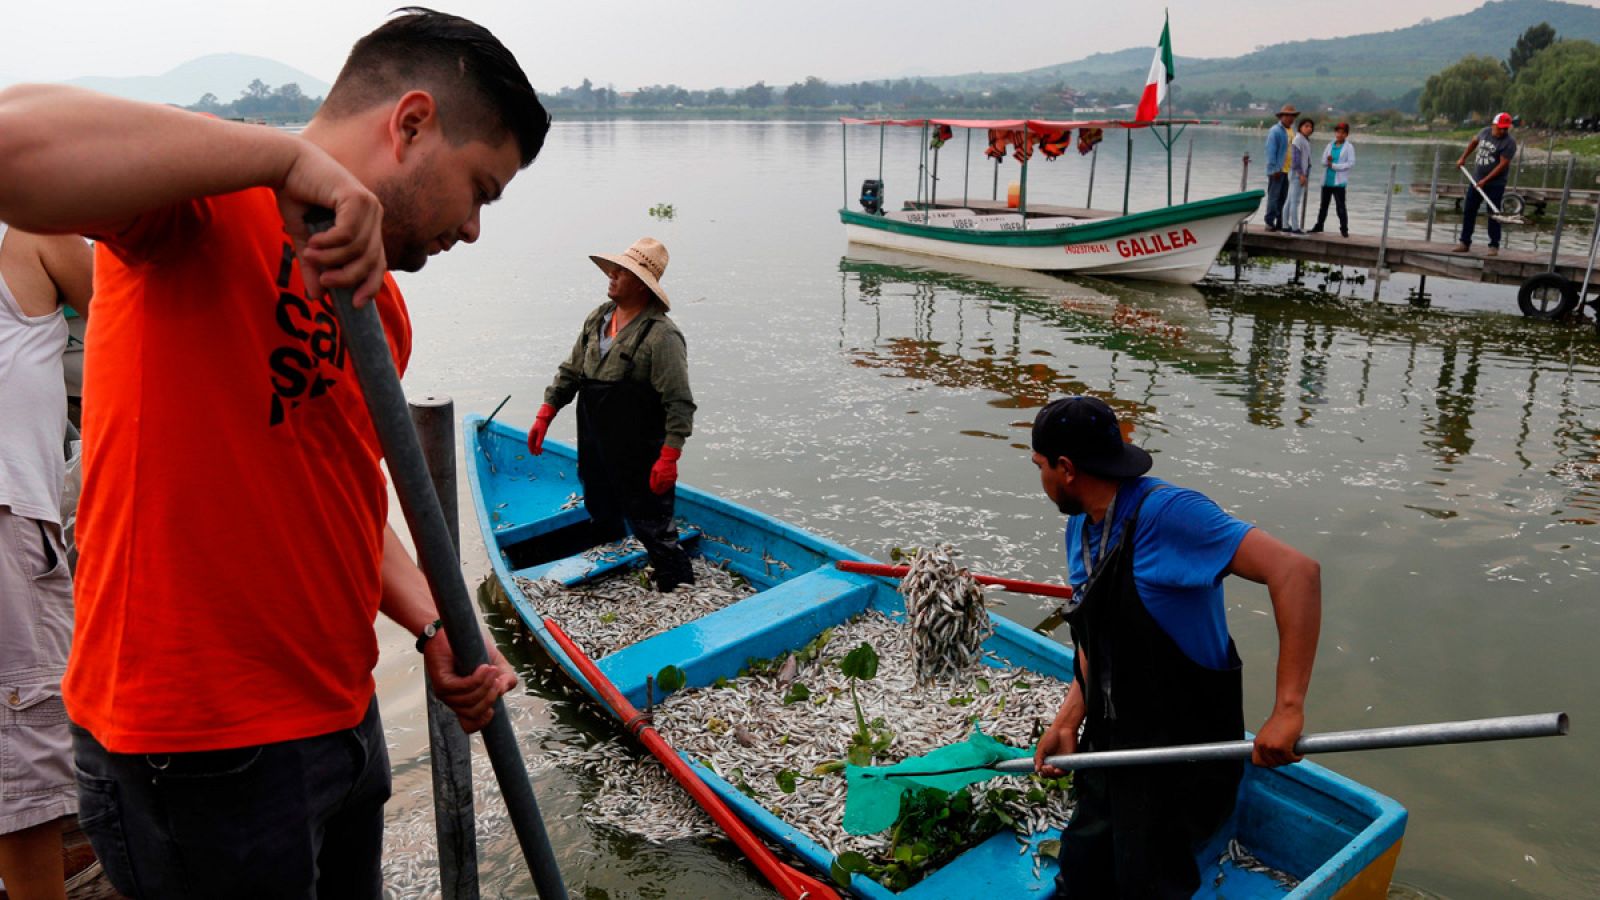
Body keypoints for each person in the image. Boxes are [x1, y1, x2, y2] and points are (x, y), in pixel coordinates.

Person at [0, 9, 551, 898]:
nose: (475, 229)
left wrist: (437, 622)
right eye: (481, 190)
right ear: (411, 124)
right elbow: (11, 145)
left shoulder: (384, 315)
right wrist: (282, 159)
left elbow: (343, 503)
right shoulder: (204, 204)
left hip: (339, 720)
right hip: (200, 747)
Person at [1028, 396, 1321, 899]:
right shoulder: (1082, 526)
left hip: (1180, 752)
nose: (1040, 478)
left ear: (1067, 468)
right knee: (1083, 870)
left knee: (1150, 881)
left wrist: (1287, 709)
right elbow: (1098, 633)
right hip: (1113, 739)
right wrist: (1068, 719)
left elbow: (1296, 572)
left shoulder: (1171, 515)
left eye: (1040, 466)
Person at [0, 222, 91, 900]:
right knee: (24, 770)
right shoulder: (32, 227)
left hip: (24, 511)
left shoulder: (32, 227)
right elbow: (138, 315)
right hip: (8, 518)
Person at [527, 238, 697, 591]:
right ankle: (611, 570)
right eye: (614, 270)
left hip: (640, 452)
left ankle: (677, 586)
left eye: (622, 272)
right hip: (595, 443)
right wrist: (546, 412)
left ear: (641, 284)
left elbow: (678, 402)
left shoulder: (661, 336)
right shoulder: (598, 318)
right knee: (600, 507)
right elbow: (571, 371)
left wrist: (670, 456)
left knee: (652, 523)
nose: (612, 276)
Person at [1453, 112, 1517, 257]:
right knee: (1469, 210)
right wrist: (1463, 157)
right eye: (1500, 128)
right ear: (1494, 125)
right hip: (1476, 180)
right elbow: (1474, 142)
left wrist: (1485, 181)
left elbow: (1502, 165)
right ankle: (1464, 243)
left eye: (1505, 128)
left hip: (1495, 184)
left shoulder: (1509, 143)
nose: (1503, 131)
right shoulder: (1484, 132)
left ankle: (1494, 245)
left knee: (1494, 213)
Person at [1309, 122, 1355, 237]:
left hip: (1339, 182)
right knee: (1323, 206)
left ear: (1346, 134)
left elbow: (1350, 163)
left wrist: (1334, 166)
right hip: (1327, 181)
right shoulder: (1330, 145)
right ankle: (1319, 225)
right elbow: (1323, 161)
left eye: (1343, 133)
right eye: (1338, 132)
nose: (1340, 135)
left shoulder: (1349, 147)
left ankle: (1344, 229)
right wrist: (1328, 161)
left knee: (1340, 206)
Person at [1262, 104, 1298, 231]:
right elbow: (1270, 151)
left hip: (1288, 170)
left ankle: (1281, 222)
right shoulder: (1275, 130)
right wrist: (1274, 169)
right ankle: (1269, 222)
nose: (1290, 118)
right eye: (1287, 115)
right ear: (1282, 116)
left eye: (1292, 116)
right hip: (1277, 170)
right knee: (1273, 196)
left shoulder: (1292, 131)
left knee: (1284, 197)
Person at [1284, 118, 1315, 234]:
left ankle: (1285, 225)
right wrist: (1302, 175)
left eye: (1311, 127)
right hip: (1298, 174)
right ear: (1300, 127)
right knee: (1295, 201)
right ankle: (1295, 227)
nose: (1309, 128)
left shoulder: (1304, 140)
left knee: (1289, 200)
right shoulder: (1298, 139)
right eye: (1306, 126)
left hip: (1298, 173)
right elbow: (1295, 160)